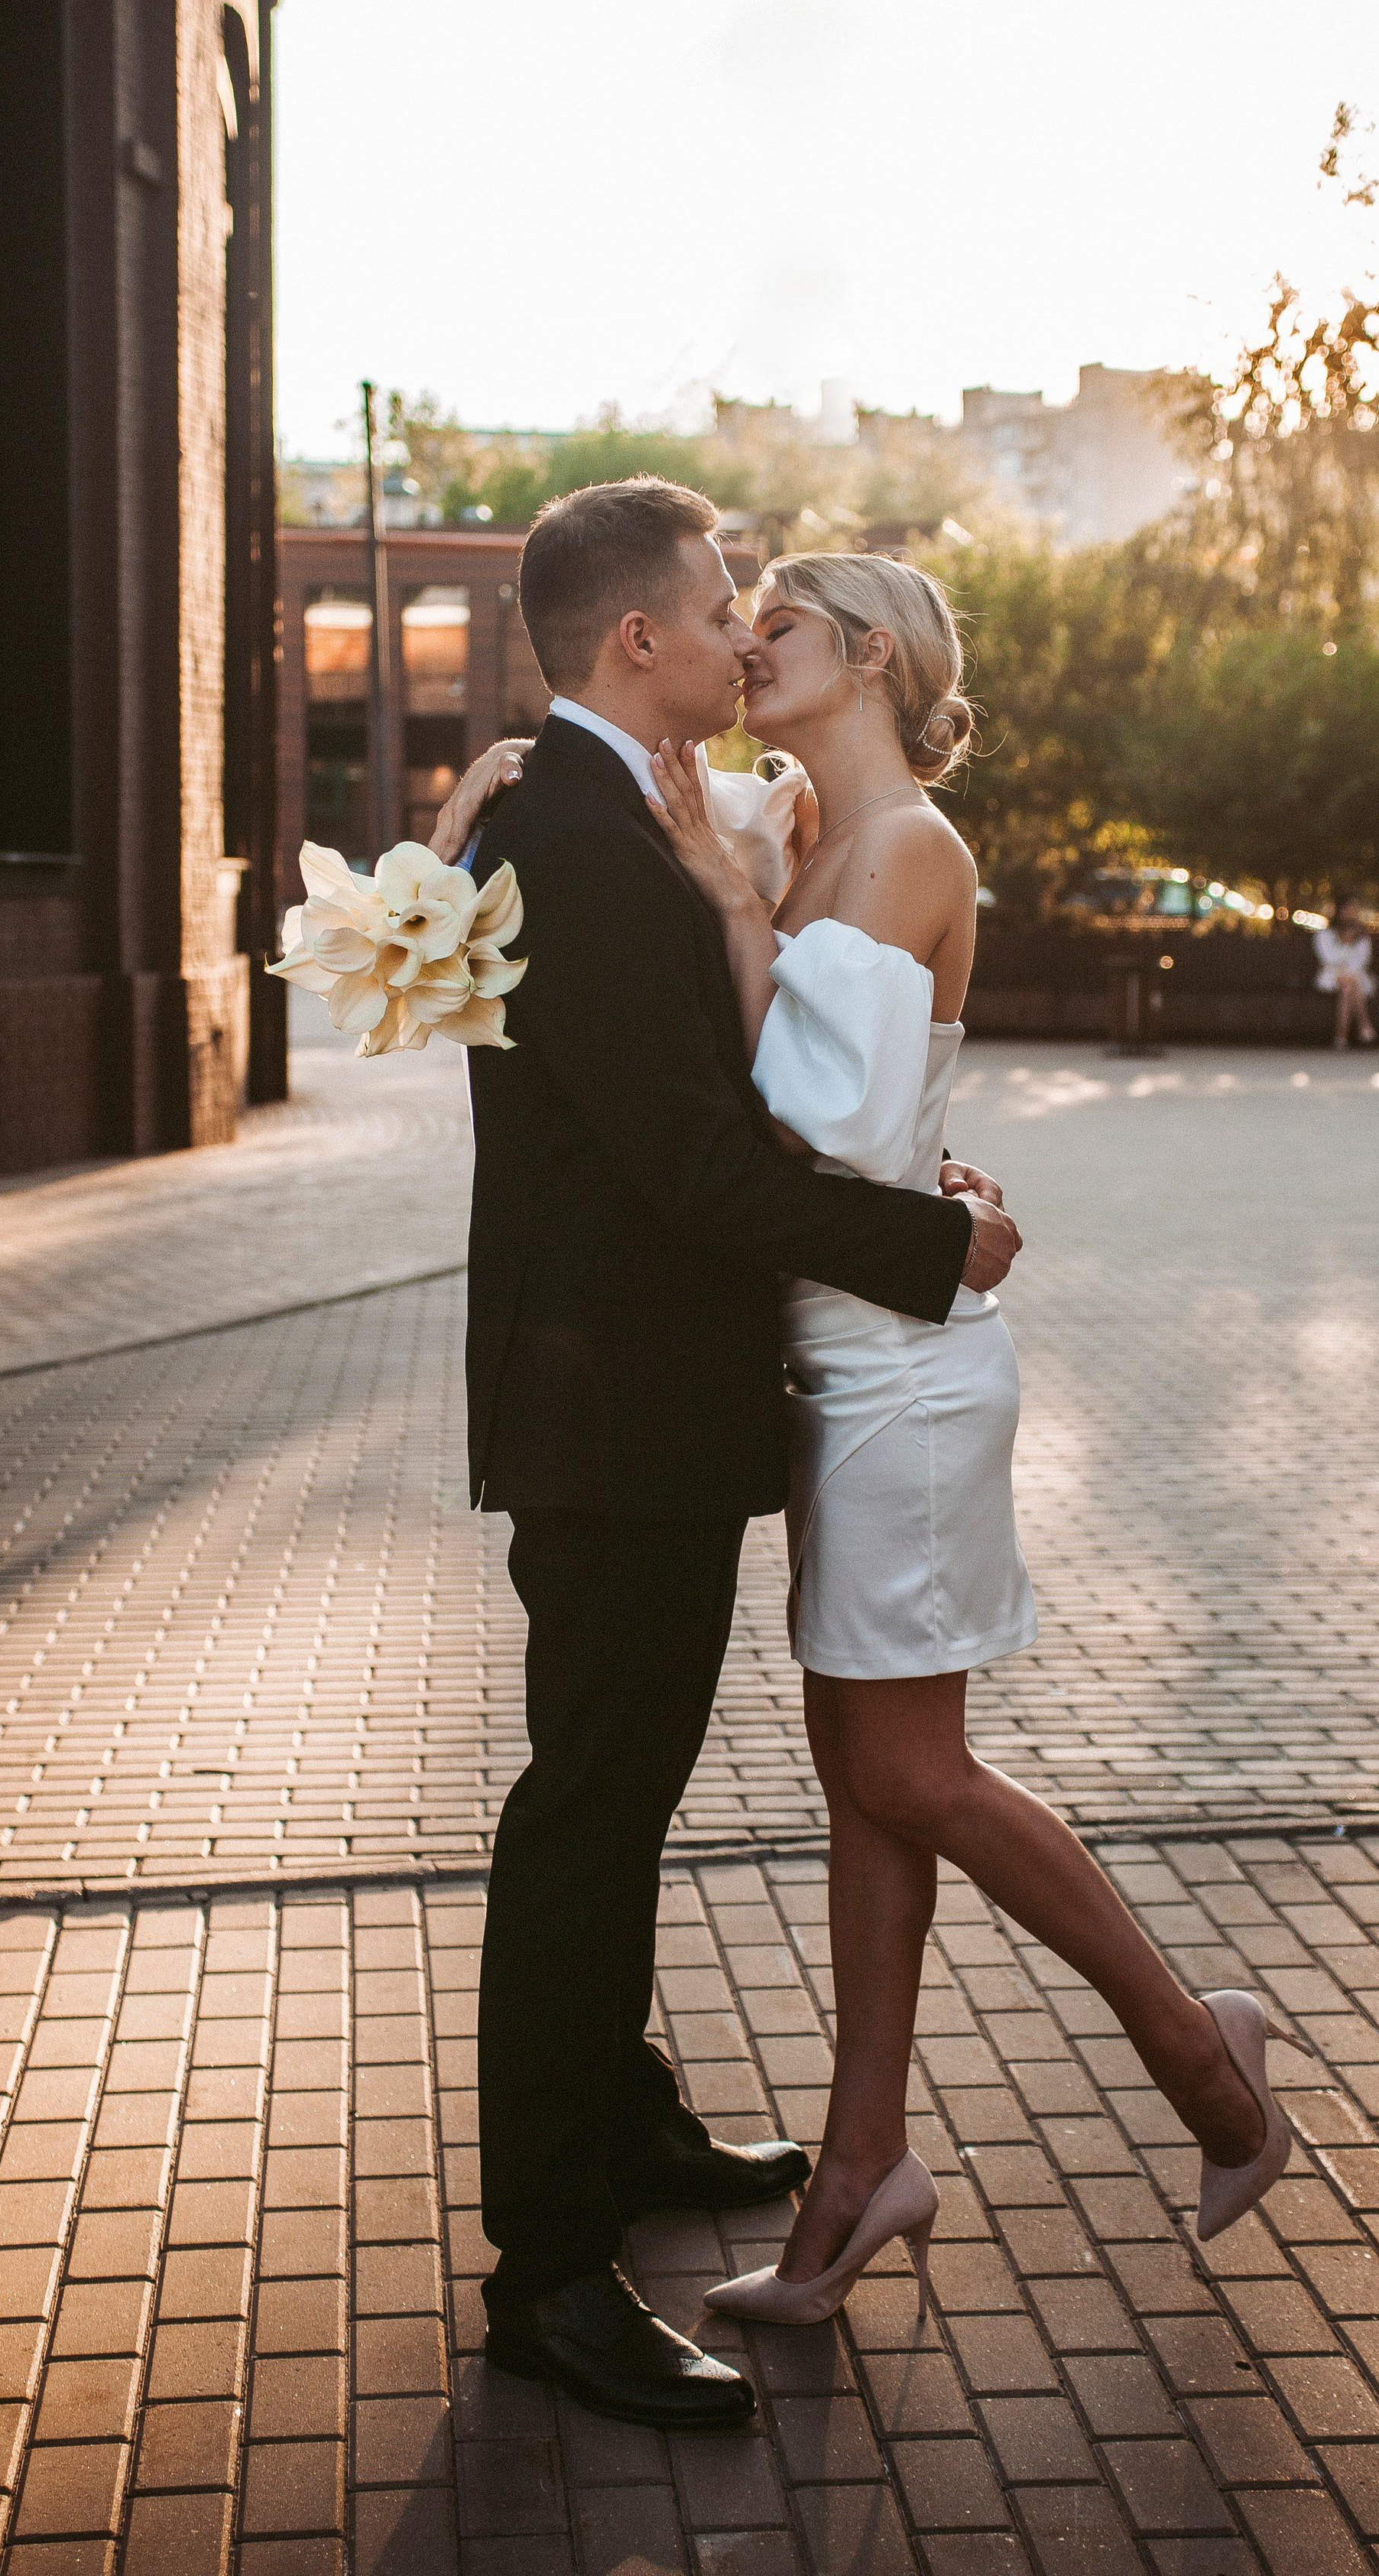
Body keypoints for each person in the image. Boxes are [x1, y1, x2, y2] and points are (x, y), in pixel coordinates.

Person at [628, 551, 1297, 2327]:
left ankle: (1202, 2060)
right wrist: (749, 893)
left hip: (901, 1379)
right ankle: (860, 2170)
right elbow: (859, 1129)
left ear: (859, 657)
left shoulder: (906, 842)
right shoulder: (813, 847)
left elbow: (822, 1133)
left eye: (772, 624)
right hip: (848, 1360)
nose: (743, 646)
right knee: (869, 1779)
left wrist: (728, 916)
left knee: (912, 1774)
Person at [430, 480, 1021, 2434]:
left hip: (627, 1404)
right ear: (637, 645)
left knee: (617, 1786)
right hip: (617, 1416)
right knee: (589, 1815)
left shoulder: (592, 812)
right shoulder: (584, 834)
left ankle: (633, 2124)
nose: (732, 635)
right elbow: (694, 1163)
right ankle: (549, 2273)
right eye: (713, 611)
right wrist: (937, 1246)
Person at [1313, 899, 1377, 1050]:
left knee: (1348, 986)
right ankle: (1364, 1026)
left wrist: (1349, 972)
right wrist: (1346, 944)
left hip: (1357, 976)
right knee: (1349, 984)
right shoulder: (1324, 935)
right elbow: (1328, 959)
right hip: (1330, 975)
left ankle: (1341, 1038)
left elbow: (1363, 960)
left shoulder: (1362, 937)